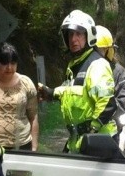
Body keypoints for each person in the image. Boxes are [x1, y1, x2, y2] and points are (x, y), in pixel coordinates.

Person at [37, 10, 117, 153]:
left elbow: (107, 105)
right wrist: (51, 93)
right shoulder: (75, 65)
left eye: (78, 34)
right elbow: (71, 91)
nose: (73, 39)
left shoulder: (97, 64)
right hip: (80, 140)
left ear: (89, 36)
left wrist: (90, 131)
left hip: (99, 143)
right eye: (70, 34)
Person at [94, 25, 125, 138]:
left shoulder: (117, 71)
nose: (95, 54)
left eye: (99, 50)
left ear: (108, 50)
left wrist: (107, 111)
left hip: (108, 134)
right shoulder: (85, 69)